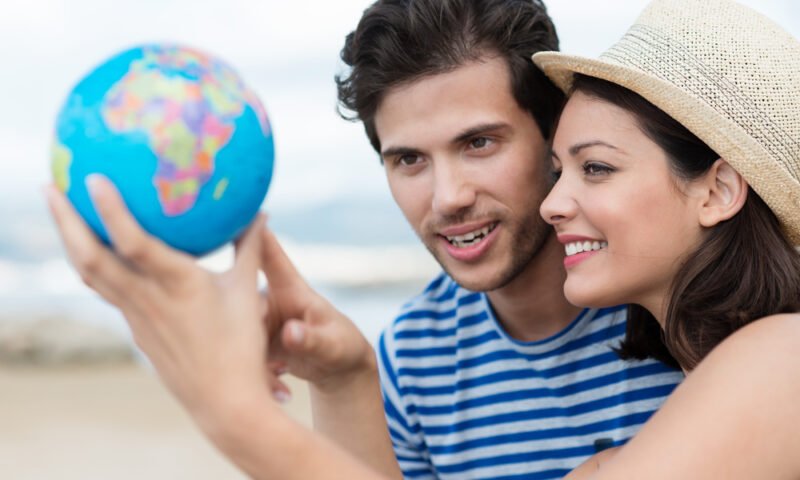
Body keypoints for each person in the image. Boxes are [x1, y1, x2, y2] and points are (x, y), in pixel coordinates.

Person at [45, 0, 800, 478]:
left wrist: (234, 413)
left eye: (479, 143)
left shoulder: (771, 354)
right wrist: (344, 383)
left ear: (550, 136)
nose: (446, 197)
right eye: (407, 158)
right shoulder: (412, 358)